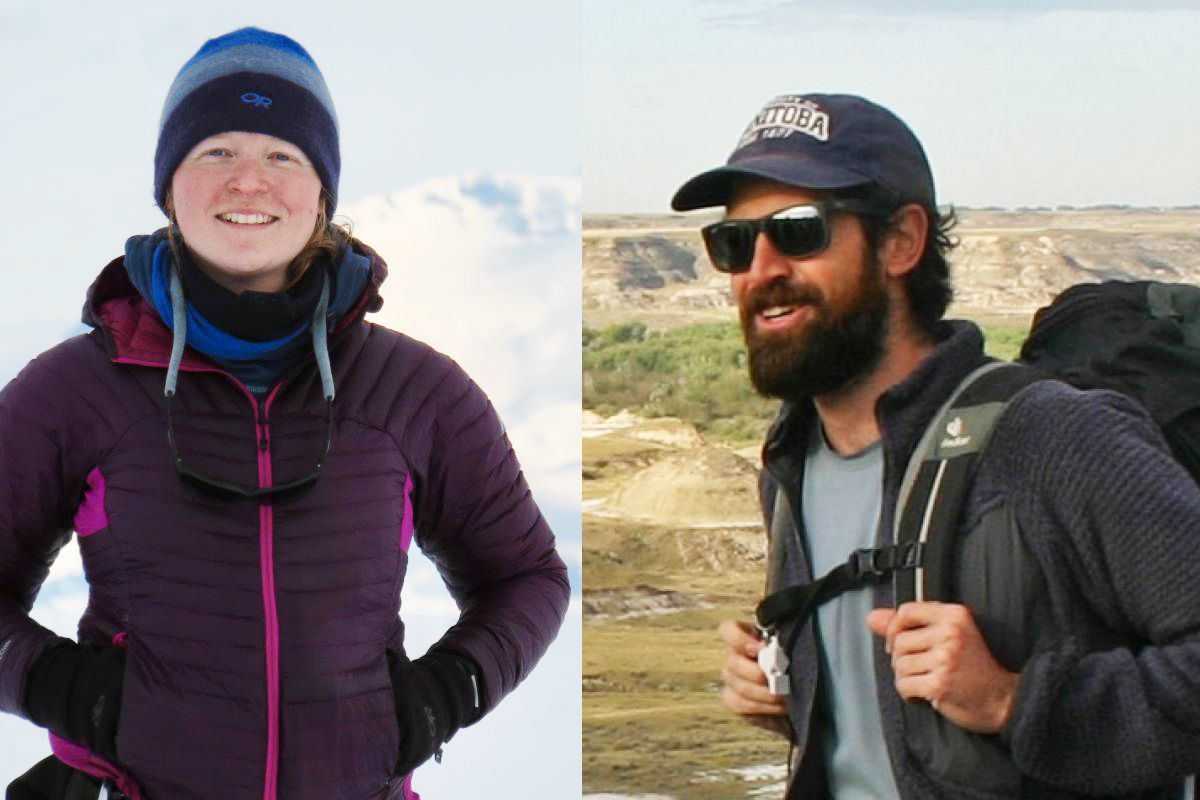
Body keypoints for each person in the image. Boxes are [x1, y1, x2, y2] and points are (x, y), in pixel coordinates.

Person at [0, 27, 569, 800]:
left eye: (282, 156)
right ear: (169, 186)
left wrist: (446, 692)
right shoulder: (77, 388)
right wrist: (66, 691)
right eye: (215, 152)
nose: (248, 183)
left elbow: (525, 575)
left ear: (322, 192)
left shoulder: (415, 391)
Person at [671, 93, 1200, 799]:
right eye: (733, 243)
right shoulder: (792, 462)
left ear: (901, 242)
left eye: (799, 232)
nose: (759, 270)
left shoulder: (1053, 438)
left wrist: (1015, 701)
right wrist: (796, 695)